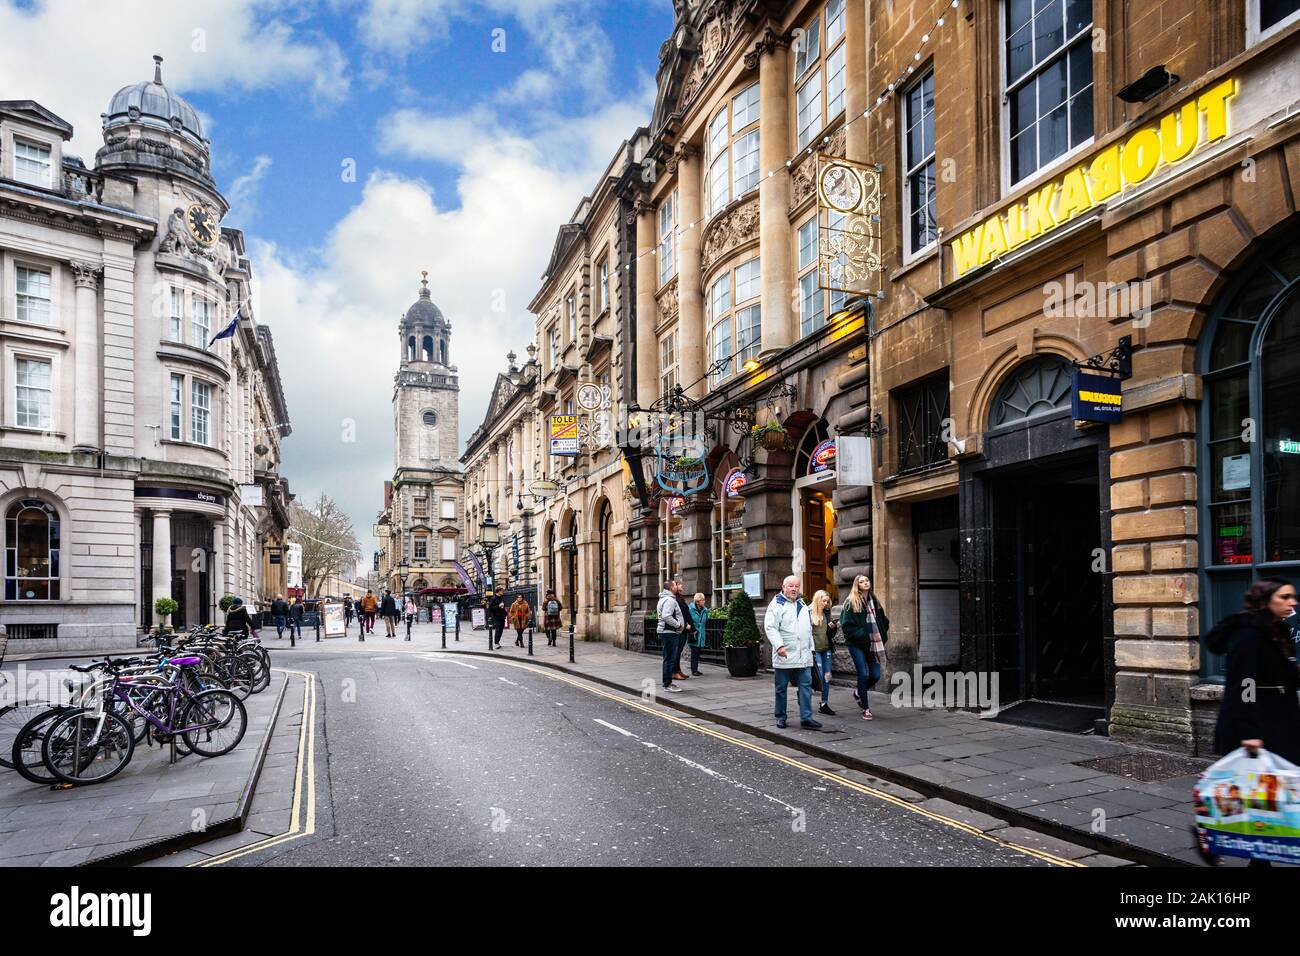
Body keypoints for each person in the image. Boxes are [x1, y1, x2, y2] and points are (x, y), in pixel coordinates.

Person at [765, 575, 820, 729]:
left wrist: (812, 649)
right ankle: (780, 717)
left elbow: (808, 630)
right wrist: (779, 646)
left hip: (804, 655)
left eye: (797, 586)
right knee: (781, 688)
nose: (794, 589)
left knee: (806, 686)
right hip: (785, 653)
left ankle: (806, 718)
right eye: (791, 586)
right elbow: (770, 627)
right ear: (784, 587)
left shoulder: (802, 603)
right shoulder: (776, 604)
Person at [839, 573, 889, 720]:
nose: (866, 583)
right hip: (857, 644)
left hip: (873, 644)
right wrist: (862, 634)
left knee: (875, 675)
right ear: (857, 585)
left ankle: (859, 692)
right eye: (862, 581)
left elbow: (884, 620)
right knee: (863, 673)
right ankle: (866, 708)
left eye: (867, 580)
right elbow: (846, 626)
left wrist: (882, 632)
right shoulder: (851, 602)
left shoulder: (875, 600)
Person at [809, 589, 837, 716]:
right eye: (823, 601)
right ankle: (804, 694)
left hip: (826, 649)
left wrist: (833, 627)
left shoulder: (827, 613)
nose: (825, 603)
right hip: (815, 651)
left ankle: (824, 704)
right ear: (817, 600)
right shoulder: (809, 612)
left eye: (827, 601)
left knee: (827, 677)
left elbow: (830, 635)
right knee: (818, 676)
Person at [656, 579, 687, 694]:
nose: (676, 586)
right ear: (670, 588)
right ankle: (667, 684)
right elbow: (666, 616)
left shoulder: (665, 599)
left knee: (668, 658)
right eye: (674, 585)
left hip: (667, 632)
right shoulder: (669, 600)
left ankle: (667, 682)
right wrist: (679, 625)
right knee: (669, 659)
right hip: (669, 633)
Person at [673, 585, 695, 681]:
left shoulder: (680, 598)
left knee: (679, 651)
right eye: (678, 584)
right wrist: (685, 624)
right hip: (681, 629)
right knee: (676, 652)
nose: (682, 585)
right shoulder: (675, 599)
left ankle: (678, 670)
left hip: (684, 629)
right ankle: (674, 672)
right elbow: (679, 614)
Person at [686, 593, 709, 677]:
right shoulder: (690, 609)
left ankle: (695, 669)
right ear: (698, 602)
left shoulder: (705, 610)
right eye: (703, 600)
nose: (704, 601)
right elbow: (687, 620)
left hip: (701, 634)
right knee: (694, 652)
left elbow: (705, 620)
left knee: (698, 652)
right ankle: (694, 670)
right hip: (693, 634)